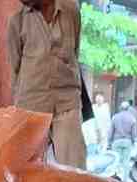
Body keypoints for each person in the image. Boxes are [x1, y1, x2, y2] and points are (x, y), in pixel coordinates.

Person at [7, 0, 87, 169]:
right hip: (30, 105)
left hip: (67, 101)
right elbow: (14, 68)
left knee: (75, 170)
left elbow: (75, 51)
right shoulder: (17, 21)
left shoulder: (70, 9)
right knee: (28, 172)